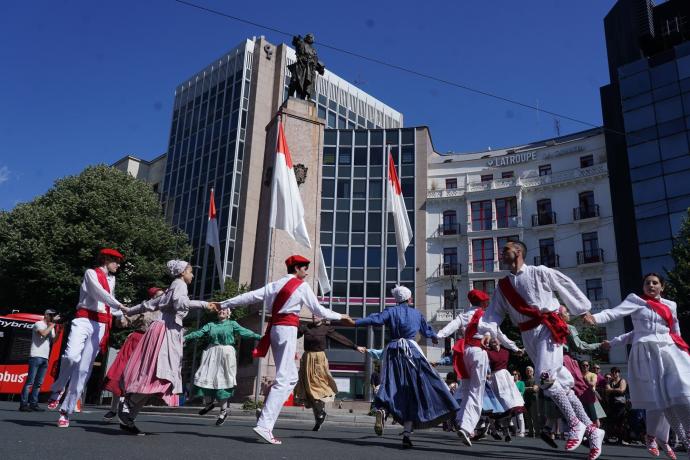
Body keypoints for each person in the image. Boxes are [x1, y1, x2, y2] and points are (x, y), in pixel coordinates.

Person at [479, 241, 605, 460]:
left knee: (545, 378)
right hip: (527, 335)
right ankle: (593, 430)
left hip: (548, 329)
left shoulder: (539, 272)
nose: (501, 253)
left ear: (518, 252)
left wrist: (582, 309)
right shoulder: (503, 286)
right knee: (561, 384)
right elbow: (494, 313)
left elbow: (564, 284)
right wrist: (489, 332)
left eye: (506, 249)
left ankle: (575, 424)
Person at [217, 254, 350, 445]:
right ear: (296, 268)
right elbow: (318, 310)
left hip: (276, 329)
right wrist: (341, 316)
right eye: (304, 267)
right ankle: (265, 424)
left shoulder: (276, 284)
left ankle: (265, 416)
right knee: (285, 378)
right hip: (286, 329)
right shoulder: (301, 286)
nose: (306, 270)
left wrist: (225, 303)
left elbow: (251, 296)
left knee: (290, 377)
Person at [585, 272, 690, 455]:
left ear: (662, 287)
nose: (651, 285)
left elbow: (675, 330)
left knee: (681, 393)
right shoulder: (635, 301)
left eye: (655, 283)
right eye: (647, 283)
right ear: (643, 286)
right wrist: (595, 318)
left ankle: (683, 436)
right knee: (657, 399)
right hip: (646, 354)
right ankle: (654, 437)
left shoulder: (670, 305)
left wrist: (682, 350)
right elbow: (614, 313)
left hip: (669, 351)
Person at [349, 285, 459, 449]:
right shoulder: (416, 314)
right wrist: (435, 337)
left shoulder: (391, 311)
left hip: (393, 350)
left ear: (397, 299)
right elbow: (427, 330)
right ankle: (408, 433)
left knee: (390, 383)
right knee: (418, 387)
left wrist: (356, 322)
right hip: (412, 352)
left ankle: (383, 410)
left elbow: (376, 319)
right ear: (409, 299)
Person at [118, 260, 216, 435]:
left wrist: (128, 310)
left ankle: (129, 418)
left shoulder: (172, 288)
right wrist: (204, 304)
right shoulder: (179, 285)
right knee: (159, 375)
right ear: (181, 272)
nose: (192, 275)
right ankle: (128, 404)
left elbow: (148, 305)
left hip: (164, 331)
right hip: (166, 332)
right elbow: (180, 303)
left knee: (155, 377)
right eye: (190, 272)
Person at [48, 248, 125, 428]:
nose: (118, 265)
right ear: (106, 259)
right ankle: (59, 386)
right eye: (116, 261)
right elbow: (99, 294)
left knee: (83, 370)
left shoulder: (112, 279)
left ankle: (66, 411)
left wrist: (122, 314)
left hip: (100, 323)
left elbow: (108, 304)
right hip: (83, 318)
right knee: (71, 356)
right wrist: (120, 306)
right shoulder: (91, 273)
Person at [436, 288, 521, 446]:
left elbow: (451, 326)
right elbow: (500, 336)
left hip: (464, 353)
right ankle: (467, 428)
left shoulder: (464, 315)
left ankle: (460, 420)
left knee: (467, 389)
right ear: (482, 302)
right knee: (477, 391)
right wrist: (515, 348)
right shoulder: (487, 316)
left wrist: (438, 336)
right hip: (478, 352)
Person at [606, 330, 681, 459]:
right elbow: (628, 336)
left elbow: (676, 335)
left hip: (667, 367)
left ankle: (663, 440)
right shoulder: (644, 328)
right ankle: (651, 437)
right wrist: (611, 343)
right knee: (656, 403)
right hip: (649, 370)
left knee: (668, 406)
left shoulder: (665, 328)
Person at [184, 306, 261, 426]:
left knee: (223, 380)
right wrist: (185, 337)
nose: (221, 311)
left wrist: (260, 337)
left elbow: (245, 332)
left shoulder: (232, 324)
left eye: (224, 310)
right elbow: (199, 333)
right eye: (220, 310)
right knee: (205, 377)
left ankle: (223, 411)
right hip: (211, 352)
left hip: (226, 353)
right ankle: (209, 404)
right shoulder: (211, 325)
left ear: (229, 313)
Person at [102, 287, 164, 422]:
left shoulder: (166, 311)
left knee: (140, 378)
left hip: (151, 346)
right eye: (159, 296)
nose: (162, 298)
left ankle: (128, 413)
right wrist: (120, 317)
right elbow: (124, 321)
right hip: (136, 342)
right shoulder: (145, 307)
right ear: (152, 297)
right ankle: (113, 409)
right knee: (121, 374)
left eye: (163, 295)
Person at [294, 317, 364, 431]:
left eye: (317, 314)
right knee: (308, 390)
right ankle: (319, 415)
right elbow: (293, 335)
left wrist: (355, 347)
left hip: (319, 360)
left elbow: (340, 338)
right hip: (307, 359)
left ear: (322, 316)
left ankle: (320, 413)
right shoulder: (305, 327)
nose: (314, 317)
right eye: (313, 314)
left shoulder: (325, 328)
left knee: (317, 387)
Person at [19, 309, 61, 412]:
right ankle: (23, 404)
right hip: (35, 355)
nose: (52, 317)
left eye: (53, 315)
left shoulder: (51, 326)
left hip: (45, 357)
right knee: (30, 382)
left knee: (38, 383)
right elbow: (43, 334)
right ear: (45, 315)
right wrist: (53, 324)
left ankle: (33, 404)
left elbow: (54, 340)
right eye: (51, 315)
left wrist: (59, 330)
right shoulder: (38, 324)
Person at [486, 337, 525, 442]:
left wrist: (519, 351)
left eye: (495, 339)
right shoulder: (488, 352)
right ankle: (496, 430)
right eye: (491, 340)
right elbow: (485, 365)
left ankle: (506, 432)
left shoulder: (505, 352)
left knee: (508, 405)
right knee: (497, 406)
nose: (494, 341)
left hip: (506, 378)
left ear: (499, 341)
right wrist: (487, 373)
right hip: (494, 379)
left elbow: (517, 353)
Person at [523, 365, 541, 437]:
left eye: (530, 371)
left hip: (534, 400)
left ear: (533, 372)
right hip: (526, 400)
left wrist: (525, 388)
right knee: (528, 417)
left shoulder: (536, 380)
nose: (528, 372)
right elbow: (521, 389)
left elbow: (535, 389)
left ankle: (537, 432)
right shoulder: (524, 381)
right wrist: (529, 388)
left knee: (535, 417)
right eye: (527, 371)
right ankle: (530, 432)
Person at [513, 370, 526, 436]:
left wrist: (515, 394)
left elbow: (522, 392)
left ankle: (522, 431)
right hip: (512, 402)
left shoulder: (521, 383)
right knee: (513, 417)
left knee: (520, 417)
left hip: (519, 402)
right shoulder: (510, 383)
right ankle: (515, 430)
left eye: (515, 374)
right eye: (513, 374)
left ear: (518, 375)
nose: (514, 375)